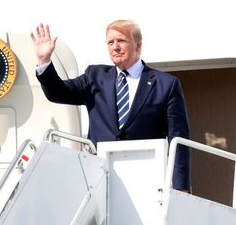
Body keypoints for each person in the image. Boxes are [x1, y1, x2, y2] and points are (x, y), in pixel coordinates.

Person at [31, 20, 191, 192]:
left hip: (145, 177)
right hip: (98, 176)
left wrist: (180, 186)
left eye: (121, 41)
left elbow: (178, 139)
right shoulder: (94, 76)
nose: (115, 47)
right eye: (110, 42)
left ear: (138, 44)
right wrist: (44, 61)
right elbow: (58, 93)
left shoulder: (166, 84)